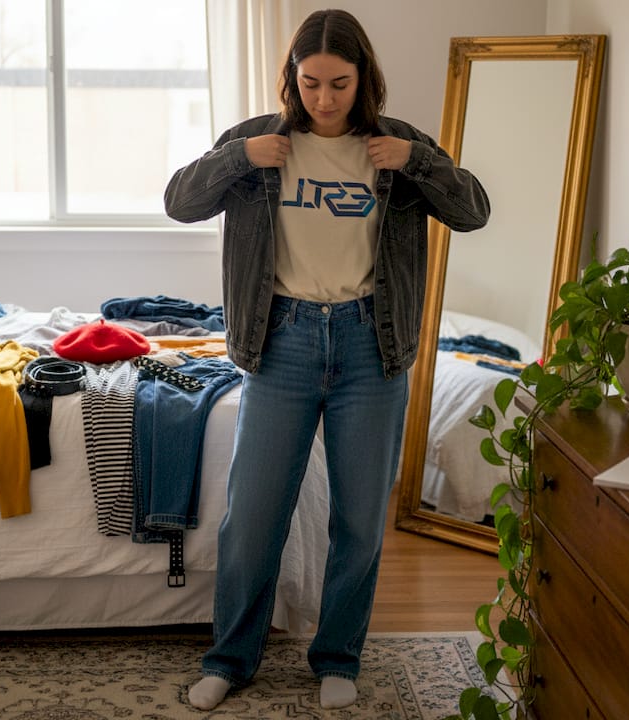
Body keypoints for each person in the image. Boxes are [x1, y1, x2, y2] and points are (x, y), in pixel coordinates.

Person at [164, 8, 489, 711]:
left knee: (361, 519)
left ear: (363, 78)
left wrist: (422, 163)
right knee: (251, 517)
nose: (324, 99)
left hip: (371, 348)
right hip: (281, 342)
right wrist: (236, 159)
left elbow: (473, 212)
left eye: (339, 83)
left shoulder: (398, 145)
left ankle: (337, 656)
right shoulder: (257, 142)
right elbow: (179, 201)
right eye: (310, 83)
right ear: (292, 79)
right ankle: (230, 658)